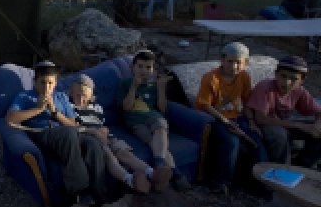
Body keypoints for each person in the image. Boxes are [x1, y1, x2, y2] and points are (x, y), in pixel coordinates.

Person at [6, 61, 107, 204]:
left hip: (66, 134)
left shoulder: (61, 97)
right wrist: (38, 109)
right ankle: (79, 191)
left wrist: (55, 113)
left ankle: (100, 194)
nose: (47, 87)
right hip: (42, 134)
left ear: (55, 83)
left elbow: (74, 124)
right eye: (42, 82)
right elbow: (10, 119)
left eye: (50, 83)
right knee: (68, 134)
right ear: (35, 82)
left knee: (92, 144)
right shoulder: (24, 96)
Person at [194, 42, 265, 194]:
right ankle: (221, 182)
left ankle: (257, 182)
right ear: (222, 60)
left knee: (256, 139)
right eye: (230, 61)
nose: (234, 66)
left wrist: (251, 122)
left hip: (237, 117)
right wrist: (226, 122)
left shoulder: (244, 77)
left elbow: (247, 101)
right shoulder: (210, 78)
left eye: (238, 62)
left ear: (245, 63)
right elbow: (205, 105)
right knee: (232, 142)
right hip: (214, 119)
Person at [68, 74, 157, 194]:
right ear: (71, 93)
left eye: (84, 95)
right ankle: (130, 180)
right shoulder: (69, 107)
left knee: (124, 153)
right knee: (109, 155)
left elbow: (101, 125)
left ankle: (152, 173)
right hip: (89, 139)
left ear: (90, 96)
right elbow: (73, 128)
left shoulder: (97, 108)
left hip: (106, 136)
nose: (80, 99)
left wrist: (105, 131)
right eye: (77, 94)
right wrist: (94, 132)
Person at [118, 49, 191, 192]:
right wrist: (134, 86)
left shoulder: (154, 85)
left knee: (161, 126)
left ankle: (159, 165)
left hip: (155, 118)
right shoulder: (126, 83)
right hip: (135, 122)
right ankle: (175, 174)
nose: (143, 71)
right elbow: (126, 108)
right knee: (156, 144)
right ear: (133, 67)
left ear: (153, 69)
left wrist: (161, 88)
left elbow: (162, 109)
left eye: (148, 67)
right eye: (140, 66)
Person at [246, 56, 321, 168]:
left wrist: (317, 126)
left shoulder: (299, 91)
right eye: (283, 76)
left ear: (301, 80)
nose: (286, 82)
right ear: (276, 74)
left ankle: (303, 167)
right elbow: (261, 119)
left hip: (284, 124)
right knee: (278, 134)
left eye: (294, 79)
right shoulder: (265, 87)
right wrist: (299, 125)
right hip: (263, 126)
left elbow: (318, 111)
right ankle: (283, 170)